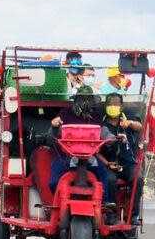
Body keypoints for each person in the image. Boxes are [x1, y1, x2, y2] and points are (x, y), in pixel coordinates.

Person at [48, 86, 112, 214]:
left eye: (88, 98)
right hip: (66, 157)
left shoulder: (95, 117)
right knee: (54, 182)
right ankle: (57, 206)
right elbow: (52, 135)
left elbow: (105, 133)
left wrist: (114, 138)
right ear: (76, 99)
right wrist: (54, 126)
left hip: (90, 158)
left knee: (105, 178)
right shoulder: (65, 113)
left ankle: (105, 205)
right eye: (82, 98)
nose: (85, 101)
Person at [96, 93, 144, 225]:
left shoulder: (127, 119)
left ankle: (132, 216)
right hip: (109, 164)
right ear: (106, 106)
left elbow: (139, 126)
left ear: (121, 107)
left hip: (127, 164)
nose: (113, 107)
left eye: (116, 104)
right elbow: (95, 150)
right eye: (110, 104)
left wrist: (129, 124)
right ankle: (111, 214)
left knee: (138, 178)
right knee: (109, 180)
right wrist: (107, 163)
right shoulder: (101, 125)